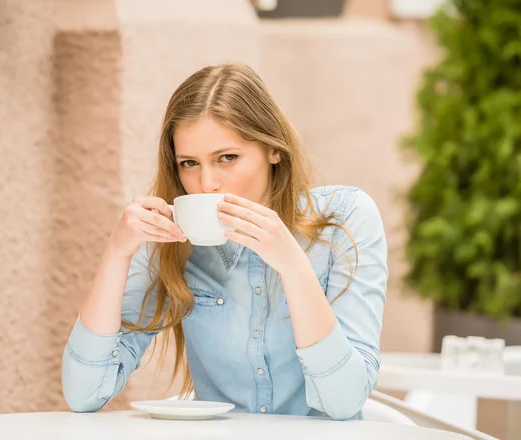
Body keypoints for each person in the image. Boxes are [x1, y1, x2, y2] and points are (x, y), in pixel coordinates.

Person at [61, 63, 388, 420]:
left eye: (227, 158)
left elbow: (344, 401)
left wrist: (293, 267)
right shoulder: (170, 239)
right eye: (189, 163)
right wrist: (117, 253)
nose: (206, 183)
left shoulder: (345, 218)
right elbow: (84, 392)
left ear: (272, 150)